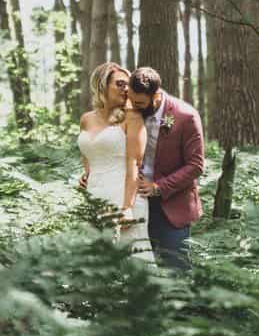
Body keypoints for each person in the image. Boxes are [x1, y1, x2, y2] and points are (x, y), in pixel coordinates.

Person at [127, 67, 203, 270]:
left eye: (140, 103)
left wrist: (158, 187)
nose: (134, 107)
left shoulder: (186, 116)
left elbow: (196, 165)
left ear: (157, 96)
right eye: (131, 100)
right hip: (136, 203)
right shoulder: (130, 112)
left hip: (173, 205)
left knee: (175, 269)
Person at [77, 62, 154, 262]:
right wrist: (86, 177)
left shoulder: (133, 118)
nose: (126, 89)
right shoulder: (86, 119)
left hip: (124, 197)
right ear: (102, 85)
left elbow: (135, 165)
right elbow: (89, 157)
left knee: (134, 261)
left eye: (128, 84)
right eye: (120, 84)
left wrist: (127, 207)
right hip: (95, 197)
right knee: (99, 264)